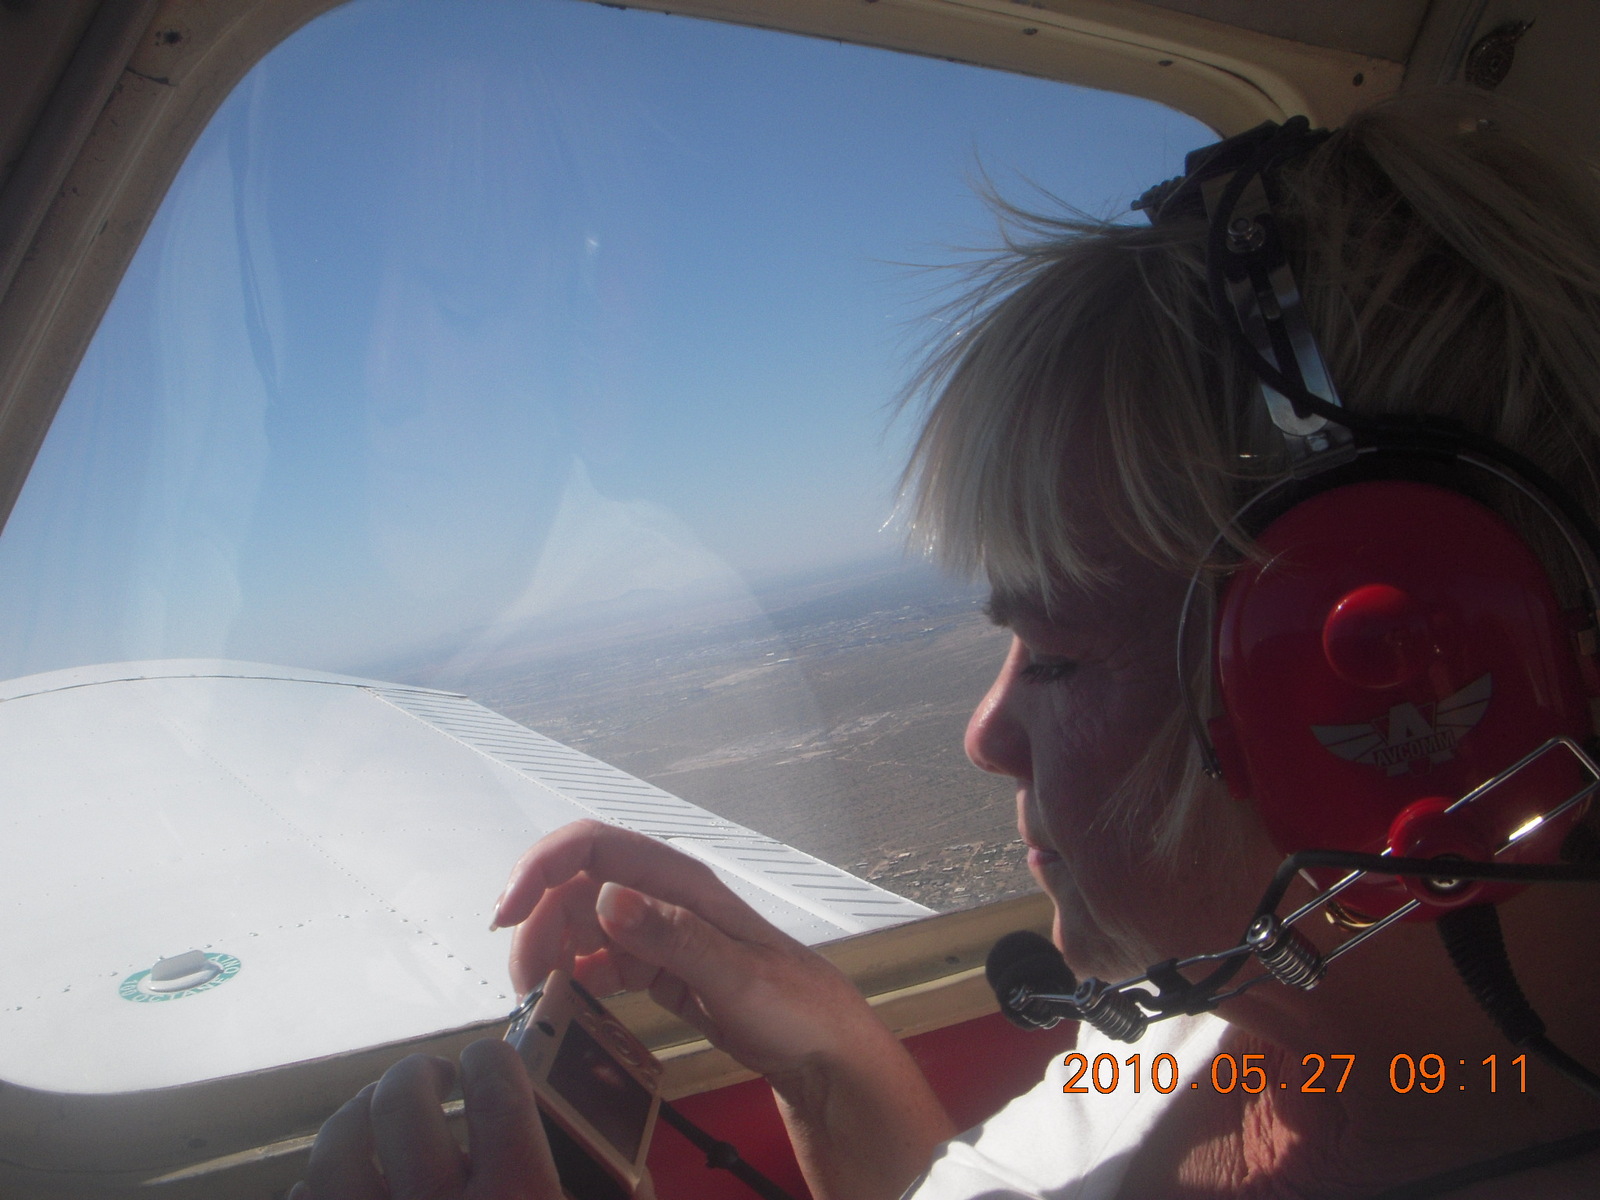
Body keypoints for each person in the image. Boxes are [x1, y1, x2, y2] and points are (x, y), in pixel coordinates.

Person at [292, 91, 1600, 1199]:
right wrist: (827, 1052)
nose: (984, 733)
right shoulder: (1219, 1023)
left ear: (1370, 699)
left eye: (1058, 655)